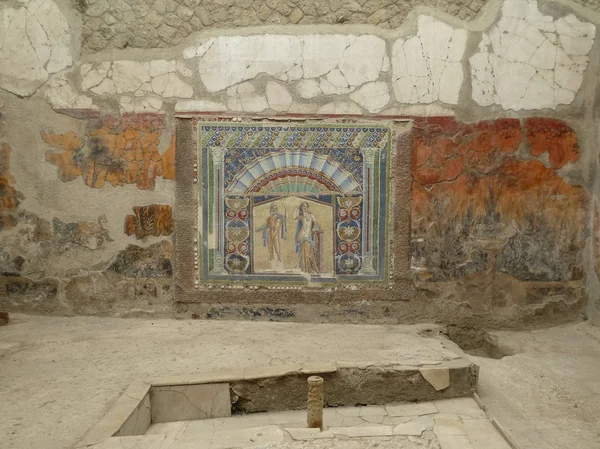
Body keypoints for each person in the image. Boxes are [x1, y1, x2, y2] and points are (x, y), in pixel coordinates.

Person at [294, 202, 320, 273]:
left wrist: (315, 228)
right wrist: (296, 209)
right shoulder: (301, 216)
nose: (304, 208)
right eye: (303, 207)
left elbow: (316, 223)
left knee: (309, 253)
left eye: (306, 206)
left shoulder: (311, 215)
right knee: (304, 253)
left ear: (307, 207)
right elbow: (294, 217)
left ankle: (308, 269)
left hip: (308, 235)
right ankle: (306, 270)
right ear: (301, 208)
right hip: (302, 235)